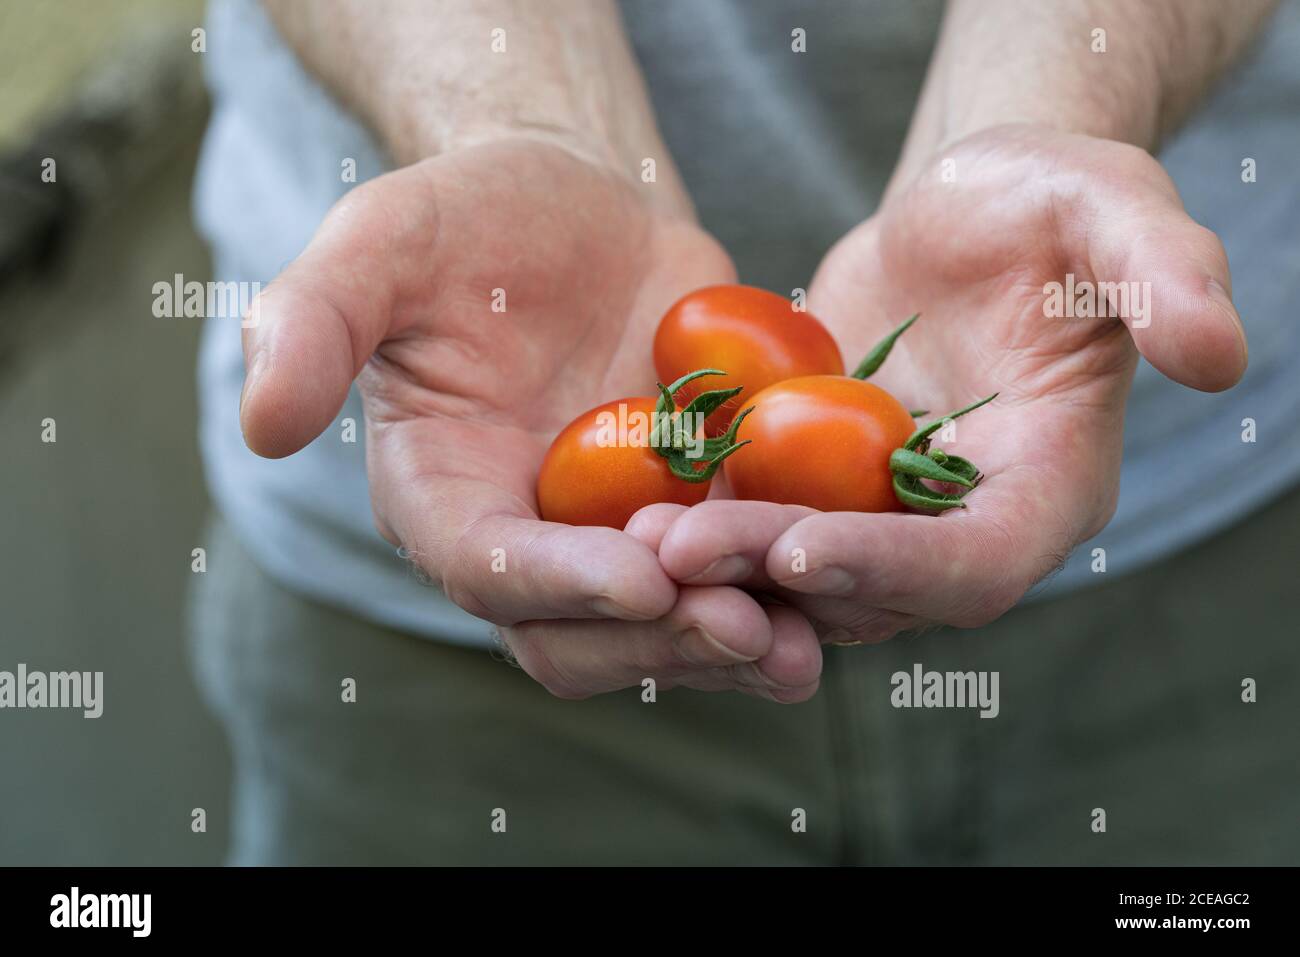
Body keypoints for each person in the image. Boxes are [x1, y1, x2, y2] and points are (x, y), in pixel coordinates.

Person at [189, 0, 1300, 864]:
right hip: (429, 650)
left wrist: (1060, 111)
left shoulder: (764, 417)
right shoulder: (804, 420)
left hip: (1203, 537)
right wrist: (519, 123)